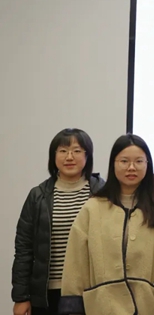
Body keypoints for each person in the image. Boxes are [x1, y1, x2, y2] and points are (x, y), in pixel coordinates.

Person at [58, 134, 154, 315]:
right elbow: (76, 262)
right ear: (113, 164)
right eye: (124, 161)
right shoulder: (93, 207)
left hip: (148, 306)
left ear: (148, 164)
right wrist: (72, 302)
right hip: (101, 307)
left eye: (139, 161)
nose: (131, 167)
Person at [11, 128, 105, 315]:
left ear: (87, 156)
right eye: (63, 151)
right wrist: (21, 297)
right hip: (49, 294)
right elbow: (24, 249)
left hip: (91, 290)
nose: (69, 157)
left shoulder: (102, 192)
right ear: (53, 156)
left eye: (77, 151)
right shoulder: (38, 196)